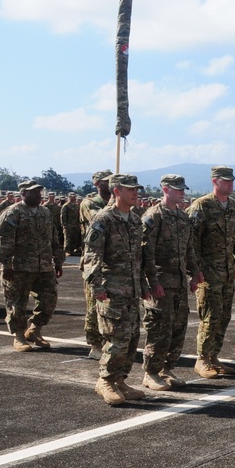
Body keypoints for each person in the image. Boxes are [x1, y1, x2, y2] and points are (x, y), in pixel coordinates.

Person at [82, 174, 151, 406]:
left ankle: (120, 380)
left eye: (136, 189)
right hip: (111, 291)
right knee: (116, 339)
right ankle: (105, 381)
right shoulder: (104, 219)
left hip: (131, 290)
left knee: (132, 338)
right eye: (130, 189)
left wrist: (143, 286)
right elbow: (91, 257)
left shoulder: (133, 220)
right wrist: (97, 287)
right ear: (116, 191)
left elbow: (138, 258)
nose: (135, 193)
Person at [140, 174, 203, 390]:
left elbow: (189, 249)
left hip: (179, 282)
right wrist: (151, 282)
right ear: (165, 189)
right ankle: (150, 372)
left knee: (178, 327)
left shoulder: (182, 217)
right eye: (178, 189)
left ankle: (166, 369)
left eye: (183, 189)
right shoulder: (153, 216)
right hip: (161, 284)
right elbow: (145, 254)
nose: (182, 192)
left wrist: (194, 273)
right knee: (159, 329)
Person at [189, 166, 235, 378]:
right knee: (210, 317)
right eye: (226, 181)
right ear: (215, 181)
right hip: (208, 273)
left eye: (232, 181)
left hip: (228, 272)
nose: (230, 184)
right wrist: (195, 270)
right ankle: (202, 359)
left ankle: (213, 356)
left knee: (224, 316)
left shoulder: (232, 206)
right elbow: (191, 241)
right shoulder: (201, 206)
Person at [0, 180, 65, 351]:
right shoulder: (12, 213)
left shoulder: (45, 212)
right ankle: (19, 336)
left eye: (39, 192)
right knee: (17, 303)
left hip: (44, 267)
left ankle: (34, 330)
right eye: (33, 192)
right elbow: (4, 240)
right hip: (19, 267)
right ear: (23, 194)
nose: (38, 195)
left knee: (49, 300)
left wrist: (58, 261)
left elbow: (54, 238)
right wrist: (6, 264)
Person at [79, 170, 112, 359]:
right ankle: (94, 344)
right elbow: (99, 220)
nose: (110, 184)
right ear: (97, 184)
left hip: (112, 262)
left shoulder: (116, 204)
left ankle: (107, 340)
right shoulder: (89, 203)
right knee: (93, 305)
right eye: (106, 182)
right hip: (94, 261)